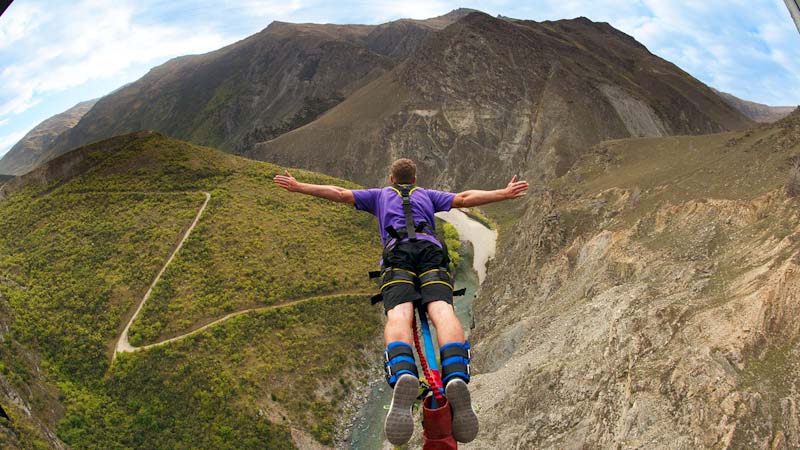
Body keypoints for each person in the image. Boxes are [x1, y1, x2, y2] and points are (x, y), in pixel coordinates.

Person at [274, 159, 528, 445]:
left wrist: (299, 187)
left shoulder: (379, 195)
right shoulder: (428, 195)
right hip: (431, 254)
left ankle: (405, 372)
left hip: (398, 259)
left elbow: (339, 193)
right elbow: (466, 198)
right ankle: (455, 372)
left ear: (391, 178)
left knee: (399, 314)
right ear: (414, 178)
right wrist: (503, 194)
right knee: (443, 310)